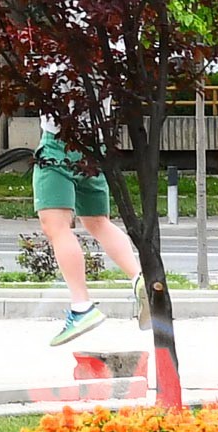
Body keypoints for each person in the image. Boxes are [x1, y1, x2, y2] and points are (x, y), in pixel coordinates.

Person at [35, 113, 151, 345]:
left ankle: (81, 306)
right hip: (94, 145)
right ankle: (139, 278)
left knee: (56, 226)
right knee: (98, 222)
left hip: (57, 141)